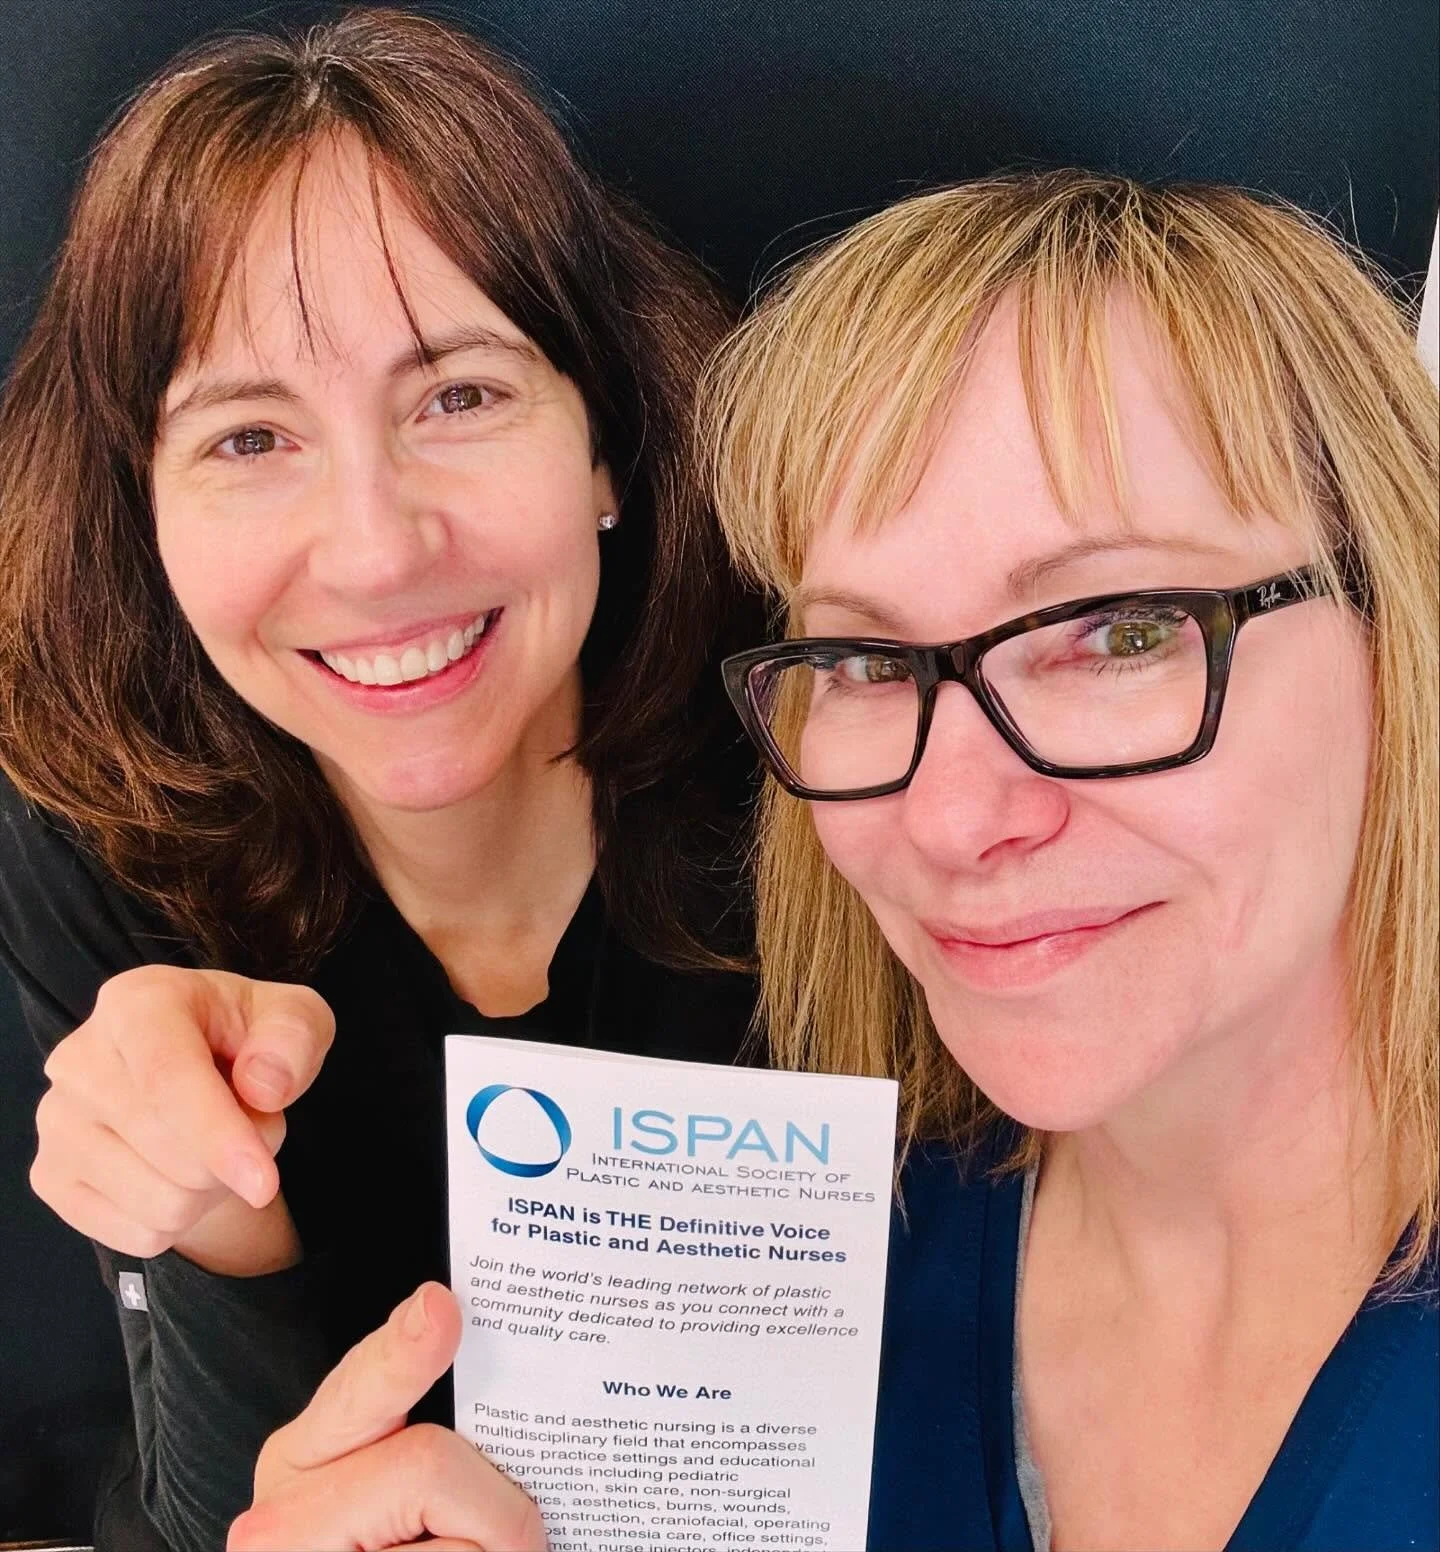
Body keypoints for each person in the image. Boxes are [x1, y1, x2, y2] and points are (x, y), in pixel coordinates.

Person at [0, 10, 756, 1549]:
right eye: (248, 438)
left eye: (459, 397)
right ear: (145, 518)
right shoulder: (101, 828)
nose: (375, 551)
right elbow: (225, 1521)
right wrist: (213, 1206)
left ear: (608, 448)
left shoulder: (826, 779)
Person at [702, 171, 1438, 1549]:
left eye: (1119, 632)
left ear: (1398, 633)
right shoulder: (791, 1301)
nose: (953, 819)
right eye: (865, 660)